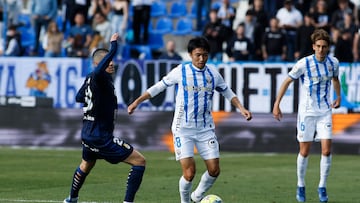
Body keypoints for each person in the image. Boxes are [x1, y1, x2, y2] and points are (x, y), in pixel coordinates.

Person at [128, 36, 252, 203]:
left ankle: (197, 196)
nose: (202, 59)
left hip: (205, 129)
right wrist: (137, 101)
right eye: (198, 55)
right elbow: (159, 86)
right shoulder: (181, 71)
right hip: (183, 129)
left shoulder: (213, 74)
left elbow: (227, 92)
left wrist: (242, 108)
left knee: (214, 170)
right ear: (190, 54)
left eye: (205, 55)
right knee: (189, 173)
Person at [63, 33, 146, 203]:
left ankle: (71, 199)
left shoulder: (91, 80)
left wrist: (95, 101)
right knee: (139, 161)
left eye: (112, 61)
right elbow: (97, 74)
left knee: (86, 164)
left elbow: (79, 97)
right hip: (100, 136)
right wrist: (113, 46)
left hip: (88, 133)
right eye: (107, 61)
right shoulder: (97, 76)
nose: (111, 64)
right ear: (98, 64)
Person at [272, 29, 341, 203]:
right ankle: (301, 185)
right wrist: (276, 104)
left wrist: (338, 96)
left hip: (324, 111)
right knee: (305, 150)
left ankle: (322, 186)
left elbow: (335, 79)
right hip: (307, 113)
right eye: (318, 46)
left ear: (328, 48)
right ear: (313, 46)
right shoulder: (304, 63)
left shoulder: (333, 63)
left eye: (324, 46)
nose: (321, 50)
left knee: (326, 149)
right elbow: (287, 81)